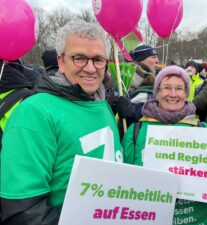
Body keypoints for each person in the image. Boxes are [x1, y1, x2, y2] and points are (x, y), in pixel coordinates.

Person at [0, 19, 123, 225]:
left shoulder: (102, 104)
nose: (91, 68)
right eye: (79, 58)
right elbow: (22, 210)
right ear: (61, 61)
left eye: (98, 59)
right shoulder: (35, 111)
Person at [122, 65, 207, 225]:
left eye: (179, 88)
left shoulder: (204, 130)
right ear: (157, 92)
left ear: (186, 93)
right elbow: (124, 183)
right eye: (166, 88)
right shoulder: (135, 132)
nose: (173, 94)